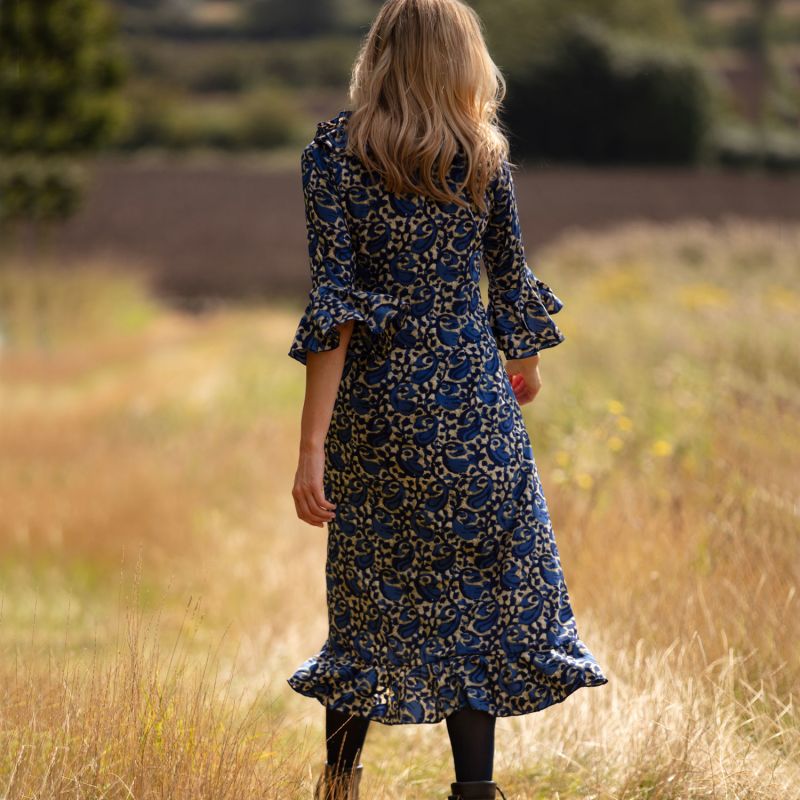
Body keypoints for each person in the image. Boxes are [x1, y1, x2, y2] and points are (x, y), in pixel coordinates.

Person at [286, 1, 609, 797]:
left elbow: (336, 312)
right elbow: (512, 283)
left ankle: (338, 782)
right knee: (479, 604)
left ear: (381, 54)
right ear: (464, 59)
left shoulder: (333, 154)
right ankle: (474, 791)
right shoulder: (483, 156)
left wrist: (311, 448)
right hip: (473, 409)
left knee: (368, 597)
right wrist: (521, 365)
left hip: (378, 413)